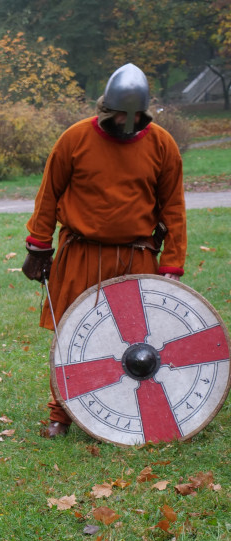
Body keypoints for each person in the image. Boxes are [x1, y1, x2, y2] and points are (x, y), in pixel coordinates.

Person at [22, 63, 186, 437]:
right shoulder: (75, 139)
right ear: (105, 109)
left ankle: (127, 411)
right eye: (120, 116)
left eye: (136, 117)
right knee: (72, 335)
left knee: (137, 340)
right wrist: (38, 247)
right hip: (82, 254)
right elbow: (49, 196)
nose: (128, 124)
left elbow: (172, 207)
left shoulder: (162, 144)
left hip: (137, 256)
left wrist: (172, 264)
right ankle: (61, 414)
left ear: (144, 113)